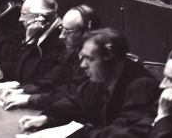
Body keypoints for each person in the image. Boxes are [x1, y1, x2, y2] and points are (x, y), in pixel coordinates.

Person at [18, 28, 160, 137]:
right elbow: (75, 102)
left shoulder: (140, 86)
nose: (83, 65)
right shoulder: (103, 77)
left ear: (109, 60)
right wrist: (47, 118)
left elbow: (120, 133)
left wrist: (82, 133)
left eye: (90, 59)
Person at [0, 5, 100, 110]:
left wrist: (28, 99)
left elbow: (71, 92)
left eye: (68, 32)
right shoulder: (71, 51)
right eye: (62, 29)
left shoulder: (94, 60)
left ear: (87, 32)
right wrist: (23, 90)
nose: (61, 36)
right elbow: (53, 78)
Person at [0, 0, 65, 84]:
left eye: (24, 15)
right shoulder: (39, 31)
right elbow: (20, 62)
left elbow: (30, 76)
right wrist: (0, 72)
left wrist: (30, 42)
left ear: (41, 18)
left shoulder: (61, 40)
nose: (20, 19)